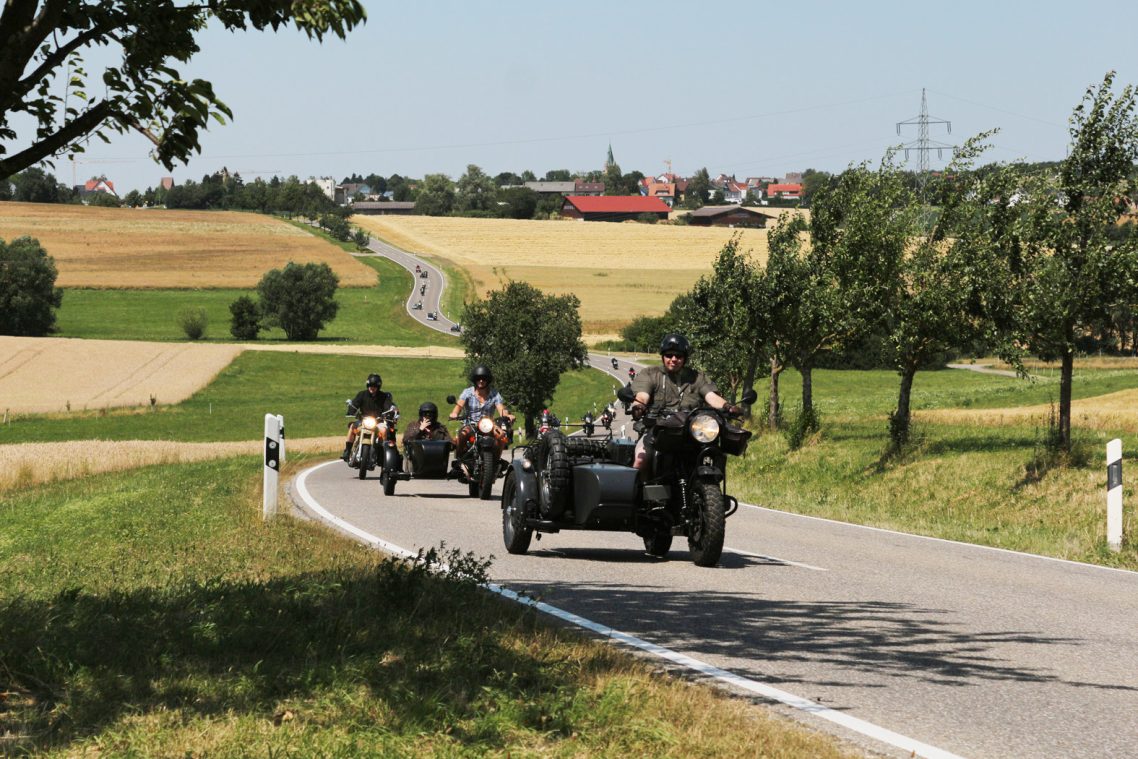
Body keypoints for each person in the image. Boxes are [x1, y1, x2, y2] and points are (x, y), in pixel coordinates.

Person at [628, 334, 739, 471]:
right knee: (641, 460)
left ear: (684, 358)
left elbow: (711, 395)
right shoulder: (650, 374)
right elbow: (642, 395)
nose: (673, 359)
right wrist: (638, 406)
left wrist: (727, 406)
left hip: (691, 432)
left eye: (678, 356)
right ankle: (640, 491)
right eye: (669, 355)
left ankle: (710, 488)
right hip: (656, 431)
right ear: (663, 356)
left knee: (716, 454)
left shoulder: (697, 377)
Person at [449, 364, 515, 457]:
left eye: (484, 379)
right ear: (475, 380)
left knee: (502, 436)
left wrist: (507, 415)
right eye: (478, 378)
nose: (481, 381)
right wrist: (454, 413)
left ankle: (496, 459)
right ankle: (459, 458)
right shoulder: (467, 392)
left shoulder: (495, 394)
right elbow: (459, 406)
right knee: (463, 434)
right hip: (470, 424)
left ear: (488, 380)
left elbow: (501, 409)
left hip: (489, 425)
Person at [343, 373, 398, 461]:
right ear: (367, 385)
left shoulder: (383, 397)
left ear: (378, 387)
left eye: (374, 386)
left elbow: (388, 407)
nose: (372, 388)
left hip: (378, 422)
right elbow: (355, 403)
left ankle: (382, 453)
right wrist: (351, 410)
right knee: (352, 427)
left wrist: (389, 413)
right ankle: (347, 450)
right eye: (370, 385)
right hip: (363, 421)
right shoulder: (362, 394)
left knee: (384, 430)